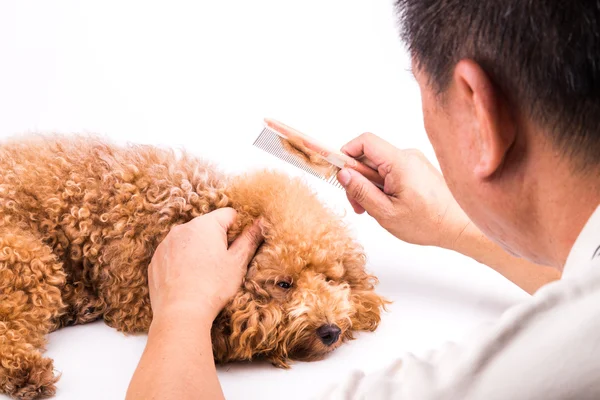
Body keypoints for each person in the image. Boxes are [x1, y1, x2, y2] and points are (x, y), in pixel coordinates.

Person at [126, 0, 600, 399]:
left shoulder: (522, 373)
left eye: (422, 89)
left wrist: (183, 311)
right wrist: (453, 225)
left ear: (479, 113)